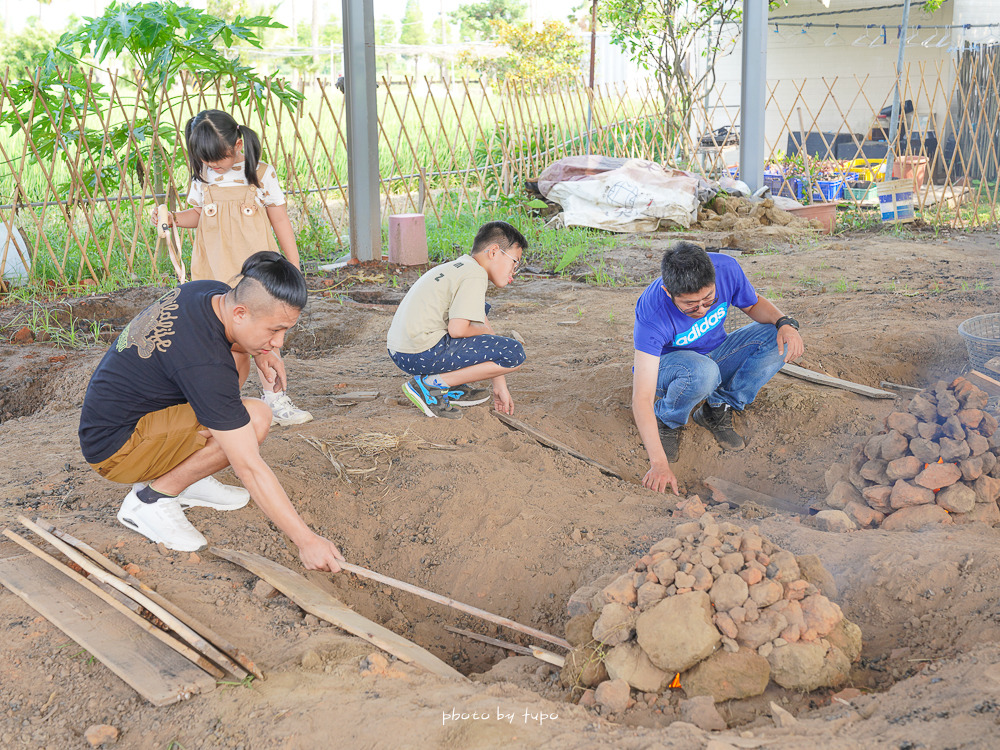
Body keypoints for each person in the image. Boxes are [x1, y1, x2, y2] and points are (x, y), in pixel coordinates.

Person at [78, 252, 344, 571]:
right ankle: (151, 500)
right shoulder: (206, 364)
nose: (280, 342)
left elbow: (230, 343)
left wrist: (260, 351)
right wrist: (307, 541)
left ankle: (189, 476)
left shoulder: (210, 293)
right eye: (274, 330)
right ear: (242, 313)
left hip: (128, 415)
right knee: (255, 418)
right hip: (114, 449)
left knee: (240, 364)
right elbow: (249, 467)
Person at [155, 109, 312, 427]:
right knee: (221, 340)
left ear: (238, 144)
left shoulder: (261, 174)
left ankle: (275, 399)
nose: (212, 165)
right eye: (205, 159)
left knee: (265, 336)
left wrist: (293, 265)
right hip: (213, 269)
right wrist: (172, 218)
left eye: (218, 158)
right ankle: (222, 403)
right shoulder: (203, 176)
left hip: (255, 274)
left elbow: (279, 218)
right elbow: (198, 215)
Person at [631, 241, 804, 494]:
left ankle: (716, 408)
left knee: (777, 336)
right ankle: (668, 419)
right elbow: (642, 396)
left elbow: (753, 305)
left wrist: (784, 323)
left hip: (714, 354)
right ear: (669, 292)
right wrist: (658, 463)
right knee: (702, 373)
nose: (701, 309)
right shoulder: (652, 312)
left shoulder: (726, 268)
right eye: (690, 305)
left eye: (709, 299)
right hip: (671, 368)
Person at [386, 220, 528, 419]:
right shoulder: (475, 275)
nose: (515, 271)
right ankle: (431, 386)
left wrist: (499, 385)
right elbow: (459, 330)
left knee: (480, 327)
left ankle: (450, 384)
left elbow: (482, 324)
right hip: (420, 351)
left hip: (403, 350)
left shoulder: (461, 267)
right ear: (494, 251)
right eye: (515, 261)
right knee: (513, 353)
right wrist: (486, 335)